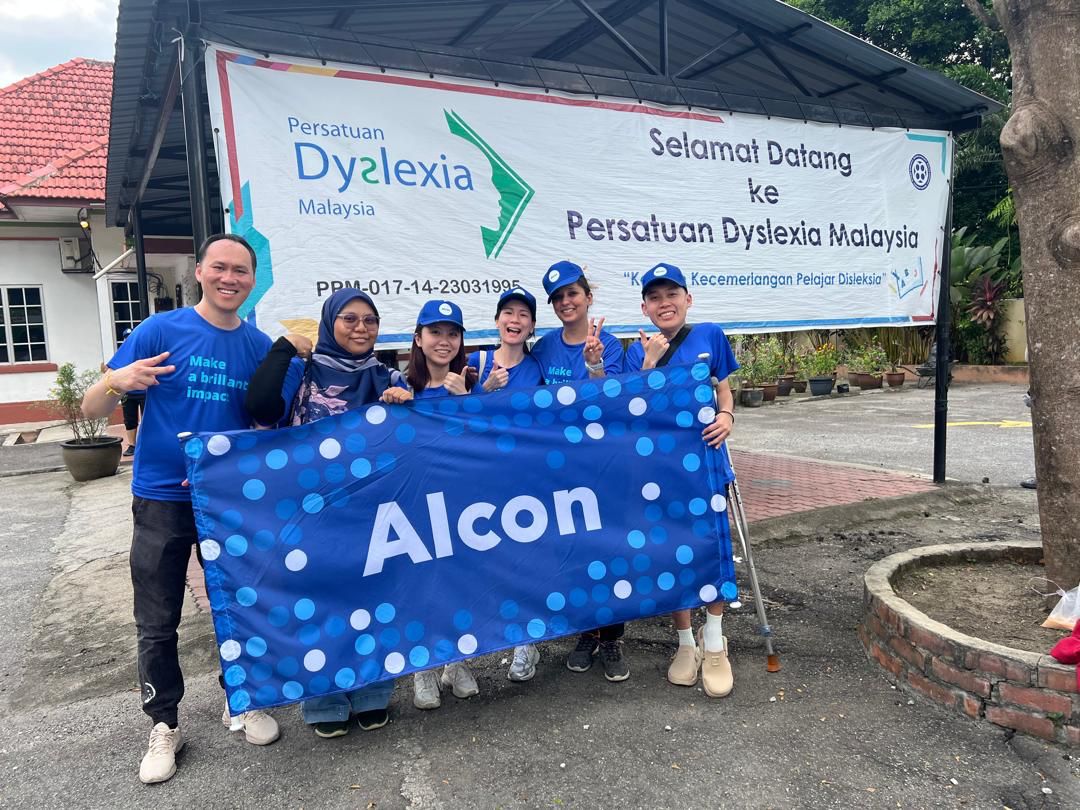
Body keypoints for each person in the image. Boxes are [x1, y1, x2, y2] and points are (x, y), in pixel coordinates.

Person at [80, 234, 280, 784]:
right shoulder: (161, 329)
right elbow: (91, 404)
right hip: (162, 497)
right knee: (157, 618)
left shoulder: (260, 346)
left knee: (239, 607)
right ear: (199, 271)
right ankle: (163, 724)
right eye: (220, 267)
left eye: (241, 271)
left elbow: (267, 425)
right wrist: (115, 381)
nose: (229, 278)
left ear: (252, 279)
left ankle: (241, 700)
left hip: (230, 502)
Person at [244, 288, 413, 738]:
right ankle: (324, 698)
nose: (361, 328)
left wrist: (405, 406)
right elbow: (261, 409)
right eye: (350, 319)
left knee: (374, 601)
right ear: (329, 323)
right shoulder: (303, 371)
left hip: (372, 513)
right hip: (310, 511)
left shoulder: (386, 375)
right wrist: (283, 350)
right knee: (318, 601)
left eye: (370, 320)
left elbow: (415, 439)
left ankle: (373, 693)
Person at [624, 262, 737, 699]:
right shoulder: (637, 350)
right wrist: (650, 361)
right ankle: (685, 644)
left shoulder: (710, 335)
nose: (664, 303)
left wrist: (727, 415)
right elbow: (636, 410)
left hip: (706, 462)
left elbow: (723, 390)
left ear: (688, 299)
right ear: (645, 307)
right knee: (672, 553)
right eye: (655, 297)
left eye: (672, 294)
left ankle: (715, 642)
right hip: (662, 470)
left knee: (711, 548)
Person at [532, 261, 629, 681]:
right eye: (557, 298)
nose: (565, 302)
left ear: (588, 297)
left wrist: (594, 365)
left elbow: (618, 404)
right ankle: (585, 633)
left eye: (572, 293)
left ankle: (611, 638)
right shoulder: (544, 349)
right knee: (575, 553)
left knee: (609, 550)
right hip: (561, 470)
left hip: (602, 465)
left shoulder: (610, 344)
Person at [403, 299, 482, 709]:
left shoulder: (469, 384)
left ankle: (457, 662)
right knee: (423, 586)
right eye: (435, 332)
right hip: (417, 505)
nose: (444, 341)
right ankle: (424, 669)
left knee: (461, 582)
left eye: (453, 333)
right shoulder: (401, 386)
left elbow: (484, 444)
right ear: (418, 338)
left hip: (462, 503)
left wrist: (468, 400)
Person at [466, 287, 545, 681]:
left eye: (523, 315)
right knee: (484, 564)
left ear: (532, 325)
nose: (515, 320)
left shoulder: (538, 368)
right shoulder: (472, 362)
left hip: (524, 480)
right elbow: (453, 416)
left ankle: (525, 644)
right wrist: (485, 391)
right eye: (508, 313)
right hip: (479, 482)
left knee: (524, 561)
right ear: (497, 320)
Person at [118, 327, 145, 457]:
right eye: (126, 337)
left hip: (145, 392)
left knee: (147, 419)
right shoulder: (121, 354)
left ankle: (146, 444)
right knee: (129, 420)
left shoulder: (144, 351)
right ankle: (132, 445)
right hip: (128, 393)